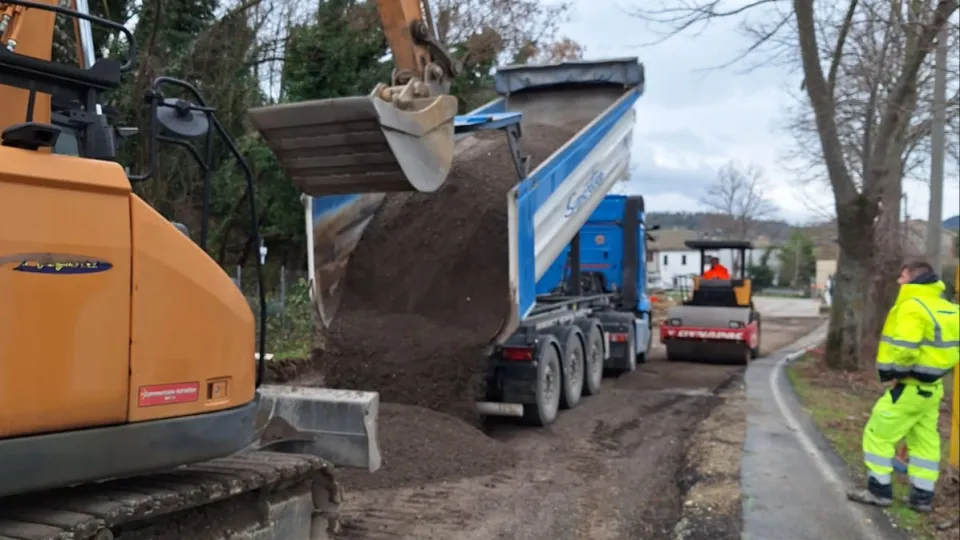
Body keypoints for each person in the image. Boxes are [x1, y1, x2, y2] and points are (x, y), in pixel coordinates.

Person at [847, 260, 960, 512]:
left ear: (912, 278)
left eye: (902, 276)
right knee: (925, 441)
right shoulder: (949, 308)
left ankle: (879, 491)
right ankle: (922, 497)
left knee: (878, 434)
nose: (899, 280)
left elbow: (906, 350)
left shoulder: (911, 307)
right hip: (933, 388)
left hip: (908, 386)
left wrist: (892, 374)